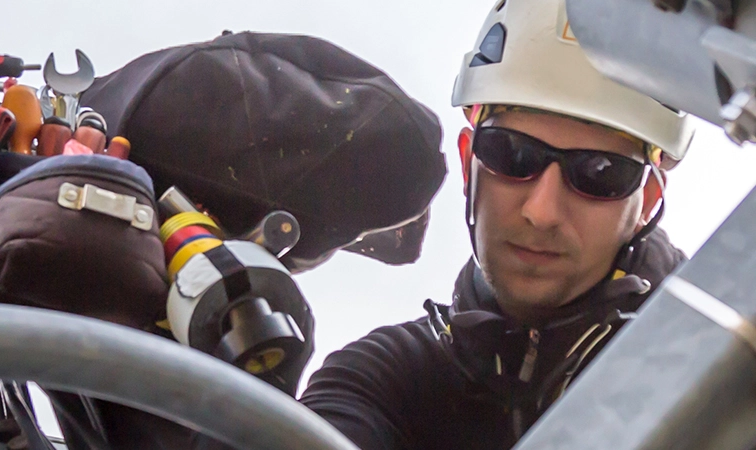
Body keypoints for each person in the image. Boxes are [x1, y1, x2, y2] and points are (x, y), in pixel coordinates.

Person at [297, 0, 694, 448]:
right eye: (512, 154)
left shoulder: (720, 363)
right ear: (469, 161)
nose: (541, 212)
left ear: (647, 202)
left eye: (599, 173)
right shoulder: (385, 381)